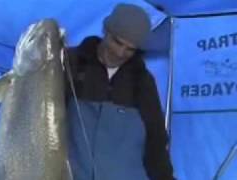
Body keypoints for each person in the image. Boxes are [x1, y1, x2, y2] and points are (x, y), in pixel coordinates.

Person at [64, 3, 175, 180]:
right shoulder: (71, 65)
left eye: (130, 49)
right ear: (105, 31)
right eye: (117, 42)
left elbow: (156, 143)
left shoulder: (142, 81)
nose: (120, 52)